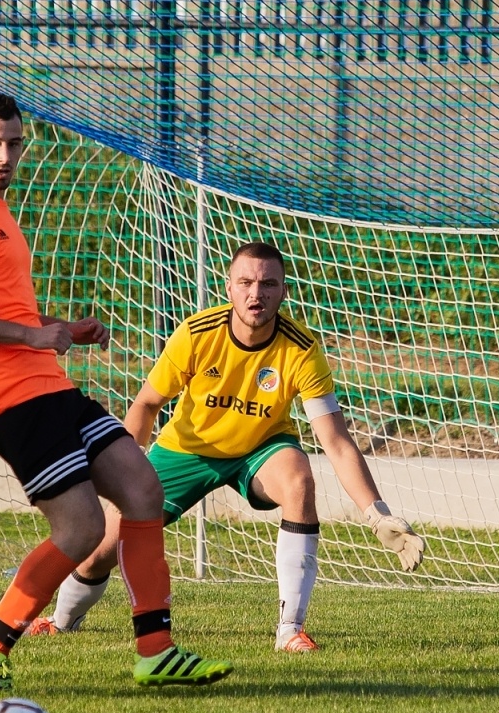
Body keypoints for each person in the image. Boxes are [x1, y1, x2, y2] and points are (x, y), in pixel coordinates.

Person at [0, 92, 232, 692]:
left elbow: (3, 310)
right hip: (11, 400)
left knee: (143, 489)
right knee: (81, 531)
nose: (5, 155)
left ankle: (156, 651)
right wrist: (33, 335)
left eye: (14, 144)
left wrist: (60, 329)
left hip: (49, 386)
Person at [35, 242, 426, 650]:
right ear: (229, 288)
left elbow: (336, 441)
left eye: (268, 284)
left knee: (299, 481)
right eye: (246, 282)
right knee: (101, 548)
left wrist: (376, 514)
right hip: (186, 449)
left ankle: (290, 630)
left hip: (261, 449)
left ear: (284, 291)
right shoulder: (197, 333)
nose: (256, 293)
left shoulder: (302, 349)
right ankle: (62, 621)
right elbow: (147, 404)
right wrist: (125, 475)